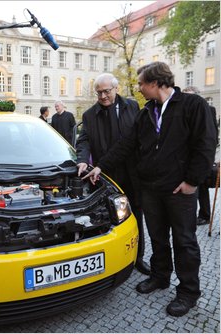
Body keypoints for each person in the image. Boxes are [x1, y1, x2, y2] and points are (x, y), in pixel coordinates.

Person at [84, 62, 216, 317]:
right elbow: (127, 144)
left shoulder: (192, 105)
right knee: (157, 237)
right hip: (151, 188)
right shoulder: (147, 113)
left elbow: (206, 144)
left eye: (142, 83)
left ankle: (188, 292)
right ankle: (160, 276)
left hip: (180, 190)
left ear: (155, 83)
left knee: (184, 241)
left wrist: (192, 182)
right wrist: (100, 166)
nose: (139, 89)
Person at [76, 73, 150, 276]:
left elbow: (136, 139)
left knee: (135, 215)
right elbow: (84, 141)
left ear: (116, 89)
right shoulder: (89, 115)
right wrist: (82, 159)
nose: (102, 96)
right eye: (99, 92)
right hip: (107, 175)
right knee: (112, 217)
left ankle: (139, 257)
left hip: (132, 172)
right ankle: (114, 259)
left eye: (106, 91)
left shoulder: (132, 106)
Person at [182, 86, 219, 226]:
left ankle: (204, 214)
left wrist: (208, 156)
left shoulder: (209, 109)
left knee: (202, 187)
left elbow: (212, 135)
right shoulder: (181, 110)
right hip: (186, 156)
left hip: (201, 156)